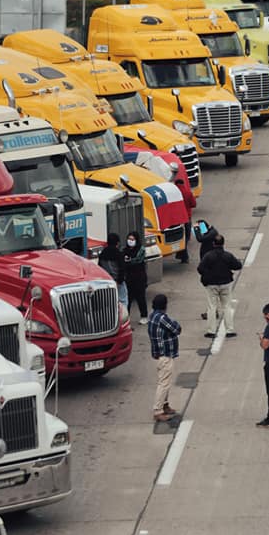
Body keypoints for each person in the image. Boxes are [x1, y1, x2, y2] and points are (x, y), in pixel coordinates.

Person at [197, 234, 242, 338]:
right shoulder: (228, 255)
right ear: (223, 243)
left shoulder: (208, 256)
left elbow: (200, 268)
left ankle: (211, 331)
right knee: (226, 306)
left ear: (213, 244)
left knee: (212, 307)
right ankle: (230, 330)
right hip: (226, 283)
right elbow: (237, 265)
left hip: (211, 284)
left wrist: (207, 275)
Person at [148, 293, 181, 423]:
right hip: (165, 355)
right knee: (164, 383)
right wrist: (175, 323)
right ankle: (158, 410)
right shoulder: (162, 318)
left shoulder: (153, 317)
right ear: (165, 306)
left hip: (159, 354)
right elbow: (177, 329)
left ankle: (165, 404)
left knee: (165, 381)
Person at [170, 160, 196, 264]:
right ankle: (184, 255)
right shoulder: (188, 193)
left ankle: (181, 253)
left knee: (179, 237)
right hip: (187, 217)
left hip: (176, 218)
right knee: (186, 237)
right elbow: (193, 204)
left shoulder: (173, 192)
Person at [123, 231, 148, 325]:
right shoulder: (124, 250)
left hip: (139, 277)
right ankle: (126, 317)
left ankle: (144, 316)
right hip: (129, 278)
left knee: (140, 297)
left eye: (132, 239)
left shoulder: (141, 250)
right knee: (128, 298)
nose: (130, 241)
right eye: (129, 239)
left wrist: (129, 261)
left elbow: (138, 260)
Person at [98, 232, 128, 308]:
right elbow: (122, 269)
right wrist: (119, 281)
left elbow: (100, 268)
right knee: (123, 301)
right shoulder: (118, 253)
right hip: (118, 282)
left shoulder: (103, 253)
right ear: (117, 243)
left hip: (106, 282)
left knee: (109, 302)